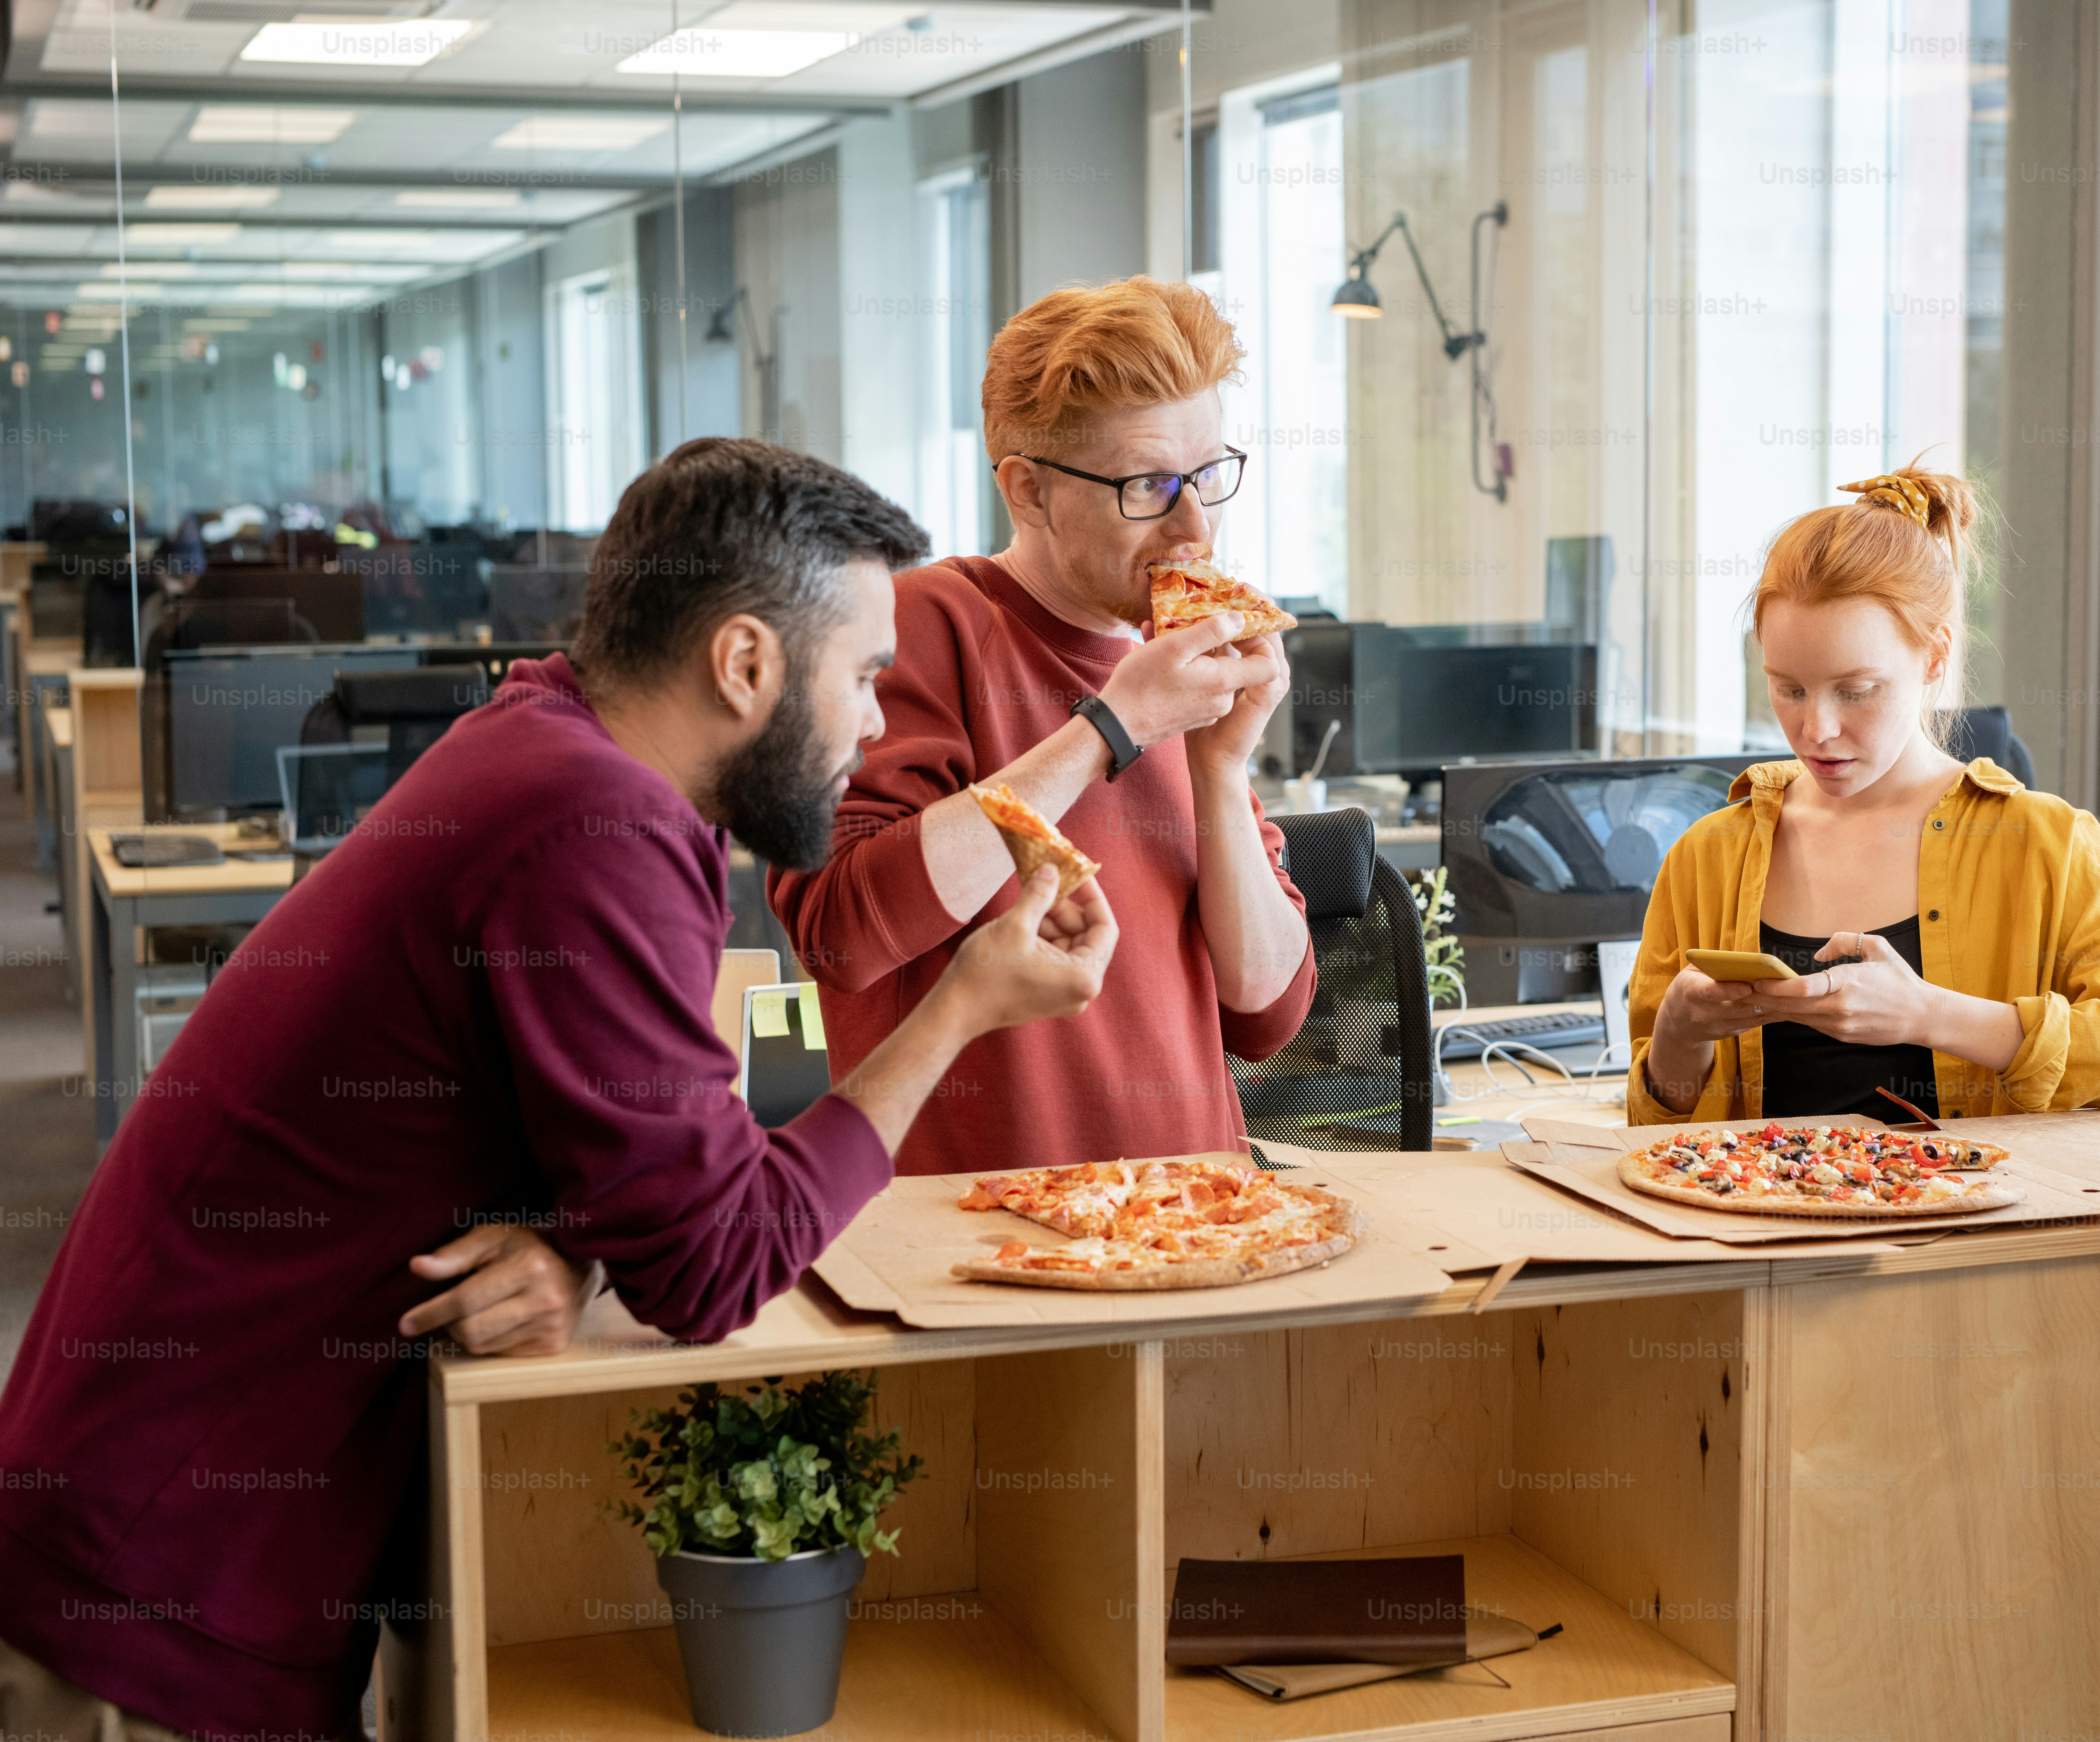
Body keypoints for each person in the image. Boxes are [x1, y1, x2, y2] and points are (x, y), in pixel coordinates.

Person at [0, 439, 1117, 1737]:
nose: (877, 723)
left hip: (183, 1544)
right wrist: (963, 1005)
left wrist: (576, 1247)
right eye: (865, 674)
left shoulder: (561, 745)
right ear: (746, 662)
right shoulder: (592, 825)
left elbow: (638, 1179)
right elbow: (712, 1264)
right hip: (150, 1589)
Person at [768, 276, 1314, 1174]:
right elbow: (841, 934)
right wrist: (1112, 725)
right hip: (969, 1242)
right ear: (1027, 491)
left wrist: (1219, 765)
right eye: (1149, 485)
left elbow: (1266, 1013)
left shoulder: (1179, 669)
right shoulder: (912, 627)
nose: (1195, 528)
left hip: (1196, 1220)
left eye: (1210, 474)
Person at [1627, 464, 2100, 1125]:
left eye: (1855, 689)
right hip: (1752, 1227)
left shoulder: (2050, 844)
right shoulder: (1705, 858)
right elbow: (1655, 1133)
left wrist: (1933, 1014)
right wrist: (1677, 1036)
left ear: (1934, 658)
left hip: (1971, 1229)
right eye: (1789, 688)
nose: (1815, 728)